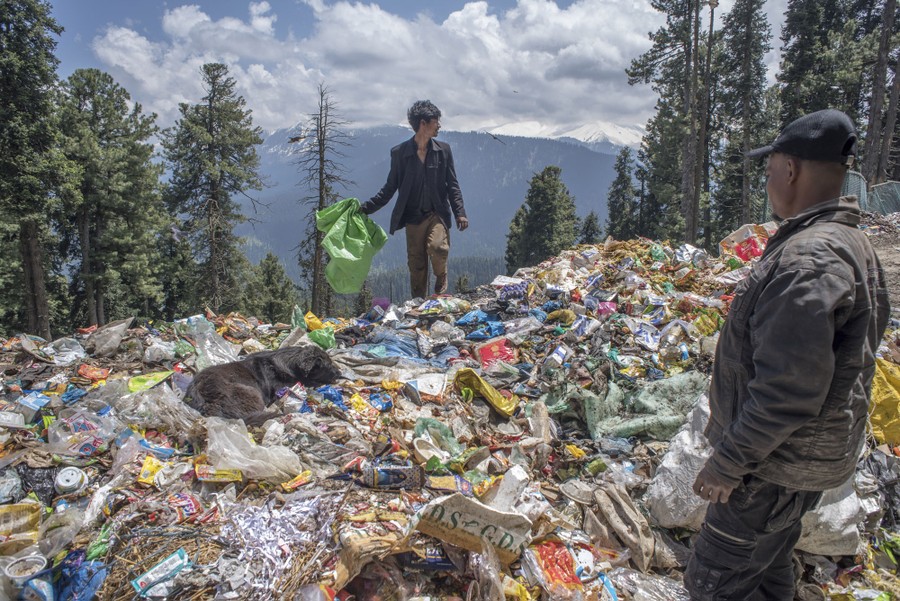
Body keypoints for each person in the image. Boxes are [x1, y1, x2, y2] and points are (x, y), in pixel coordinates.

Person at [685, 109, 890, 600]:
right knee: (769, 565)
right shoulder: (849, 242)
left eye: (770, 167)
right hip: (799, 464)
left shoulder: (809, 259)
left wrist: (727, 464)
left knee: (713, 582)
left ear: (791, 170)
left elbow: (788, 392)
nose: (768, 178)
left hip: (769, 471)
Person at [360, 100, 468, 299]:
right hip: (412, 217)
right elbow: (389, 188)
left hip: (437, 214)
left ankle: (441, 280)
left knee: (437, 248)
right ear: (423, 123)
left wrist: (460, 213)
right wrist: (365, 209)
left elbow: (452, 184)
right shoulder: (400, 154)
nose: (439, 126)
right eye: (436, 122)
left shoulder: (443, 151)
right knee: (416, 266)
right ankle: (418, 305)